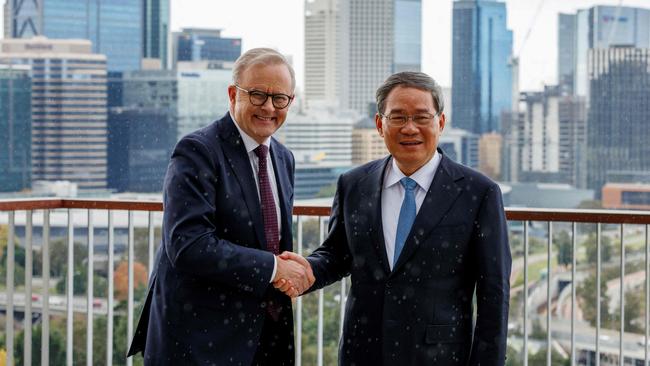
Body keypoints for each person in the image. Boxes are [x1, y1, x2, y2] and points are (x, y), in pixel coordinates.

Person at [278, 71, 511, 365]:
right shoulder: (353, 184)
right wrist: (308, 269)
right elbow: (338, 254)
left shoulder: (479, 193)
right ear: (380, 124)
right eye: (398, 117)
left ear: (440, 122)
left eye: (422, 117)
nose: (410, 128)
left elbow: (494, 294)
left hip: (439, 356)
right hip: (362, 352)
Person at [128, 47, 314, 366]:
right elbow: (187, 245)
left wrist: (291, 271)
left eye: (279, 98)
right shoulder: (197, 151)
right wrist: (273, 268)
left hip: (265, 336)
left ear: (290, 102)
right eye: (257, 95)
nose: (269, 107)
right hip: (199, 340)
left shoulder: (284, 159)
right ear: (233, 94)